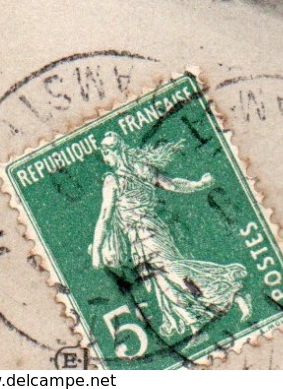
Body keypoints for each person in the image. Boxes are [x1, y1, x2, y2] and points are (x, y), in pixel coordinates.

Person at [90, 133, 249, 342]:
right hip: (137, 239)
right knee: (160, 282)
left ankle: (230, 292)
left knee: (176, 274)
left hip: (150, 233)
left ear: (114, 152)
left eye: (106, 152)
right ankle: (195, 324)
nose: (105, 157)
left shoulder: (123, 177)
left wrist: (198, 185)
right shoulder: (131, 173)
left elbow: (105, 215)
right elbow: (171, 184)